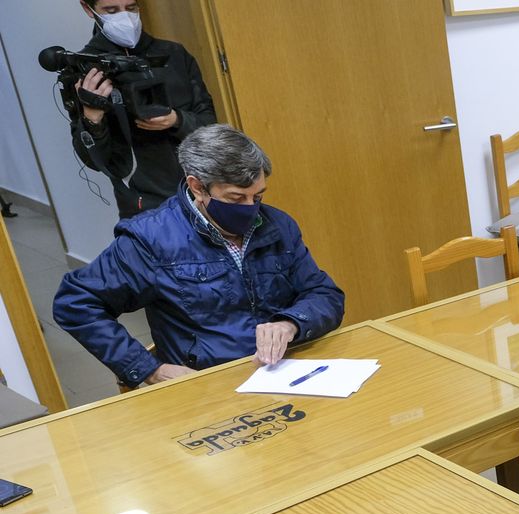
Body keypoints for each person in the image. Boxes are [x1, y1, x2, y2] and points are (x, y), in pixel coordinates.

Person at [54, 124, 345, 387]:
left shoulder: (278, 226)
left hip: (285, 373)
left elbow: (324, 294)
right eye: (235, 198)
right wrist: (147, 369)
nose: (251, 207)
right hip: (207, 384)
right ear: (197, 186)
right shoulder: (150, 239)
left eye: (257, 196)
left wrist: (289, 323)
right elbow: (76, 303)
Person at [69, 0, 217, 218]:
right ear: (88, 9)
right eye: (111, 11)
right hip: (145, 205)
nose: (125, 17)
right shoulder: (86, 72)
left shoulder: (174, 54)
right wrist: (92, 118)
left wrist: (177, 120)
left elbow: (211, 124)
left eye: (131, 8)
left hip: (205, 191)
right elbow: (94, 161)